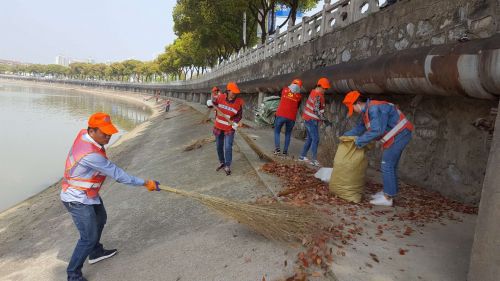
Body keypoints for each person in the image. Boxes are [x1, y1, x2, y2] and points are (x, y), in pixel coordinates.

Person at [61, 112, 161, 281]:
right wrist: (146, 183)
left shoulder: (84, 135)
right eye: (104, 133)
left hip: (89, 194)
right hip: (76, 198)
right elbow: (119, 175)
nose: (108, 136)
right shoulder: (91, 155)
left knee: (101, 218)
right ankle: (73, 274)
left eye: (109, 132)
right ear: (92, 131)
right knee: (88, 237)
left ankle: (95, 252)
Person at [342, 91, 413, 206]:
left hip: (401, 134)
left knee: (387, 164)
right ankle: (389, 193)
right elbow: (359, 129)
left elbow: (377, 131)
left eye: (352, 107)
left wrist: (359, 141)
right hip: (398, 134)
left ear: (358, 103)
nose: (353, 111)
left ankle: (387, 198)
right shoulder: (366, 112)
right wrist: (345, 136)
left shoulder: (374, 109)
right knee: (390, 164)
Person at [211, 82, 244, 176]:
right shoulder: (220, 97)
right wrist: (210, 103)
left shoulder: (238, 103)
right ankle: (222, 162)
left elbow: (239, 115)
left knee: (228, 147)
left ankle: (227, 165)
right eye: (233, 92)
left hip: (229, 128)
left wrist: (235, 123)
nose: (234, 94)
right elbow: (213, 103)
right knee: (218, 146)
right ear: (228, 91)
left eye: (235, 93)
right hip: (219, 126)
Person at [298, 77, 331, 167]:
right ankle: (313, 160)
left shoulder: (313, 92)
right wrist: (325, 120)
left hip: (307, 119)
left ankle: (302, 156)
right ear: (319, 86)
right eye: (324, 88)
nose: (325, 90)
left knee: (310, 139)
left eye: (326, 89)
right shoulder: (317, 96)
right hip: (311, 120)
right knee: (315, 139)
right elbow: (316, 110)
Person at [273, 79, 303, 157]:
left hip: (281, 114)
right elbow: (297, 107)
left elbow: (279, 96)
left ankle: (277, 150)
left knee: (277, 131)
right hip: (291, 117)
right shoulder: (299, 96)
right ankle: (285, 152)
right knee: (288, 134)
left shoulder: (284, 90)